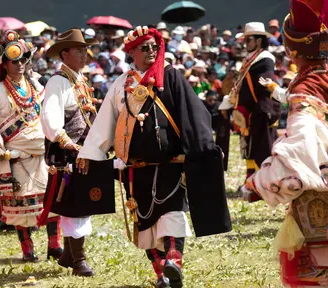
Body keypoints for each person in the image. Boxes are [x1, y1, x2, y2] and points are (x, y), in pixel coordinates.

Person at [77, 26, 231, 288]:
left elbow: (193, 115)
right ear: (132, 53)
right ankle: (162, 274)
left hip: (172, 165)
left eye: (154, 47)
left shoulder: (171, 77)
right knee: (145, 226)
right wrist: (91, 154)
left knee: (172, 215)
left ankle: (174, 263)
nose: (151, 52)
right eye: (144, 48)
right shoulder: (121, 84)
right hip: (136, 169)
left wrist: (203, 150)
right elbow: (105, 123)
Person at [244, 0, 328, 286]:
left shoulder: (307, 86)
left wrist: (263, 179)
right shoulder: (317, 78)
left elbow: (302, 144)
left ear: (292, 50)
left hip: (321, 193)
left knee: (312, 274)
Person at [0, 30, 62, 262]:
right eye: (14, 61)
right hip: (16, 157)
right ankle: (27, 250)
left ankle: (54, 245)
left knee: (51, 201)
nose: (20, 64)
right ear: (5, 63)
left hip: (43, 154)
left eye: (23, 60)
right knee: (20, 209)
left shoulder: (37, 85)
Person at [40, 28, 99, 277]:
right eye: (78, 50)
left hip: (85, 151)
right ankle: (79, 260)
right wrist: (66, 143)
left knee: (80, 201)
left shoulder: (79, 80)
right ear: (64, 54)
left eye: (85, 50)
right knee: (76, 205)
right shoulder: (58, 81)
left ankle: (67, 254)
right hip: (69, 153)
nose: (84, 55)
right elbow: (49, 116)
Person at [229, 22, 281, 196]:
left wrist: (262, 111)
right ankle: (251, 183)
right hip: (251, 113)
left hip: (261, 112)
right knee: (250, 150)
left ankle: (268, 184)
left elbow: (264, 89)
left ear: (259, 41)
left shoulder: (265, 59)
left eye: (249, 39)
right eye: (245, 39)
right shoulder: (251, 58)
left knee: (263, 150)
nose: (246, 42)